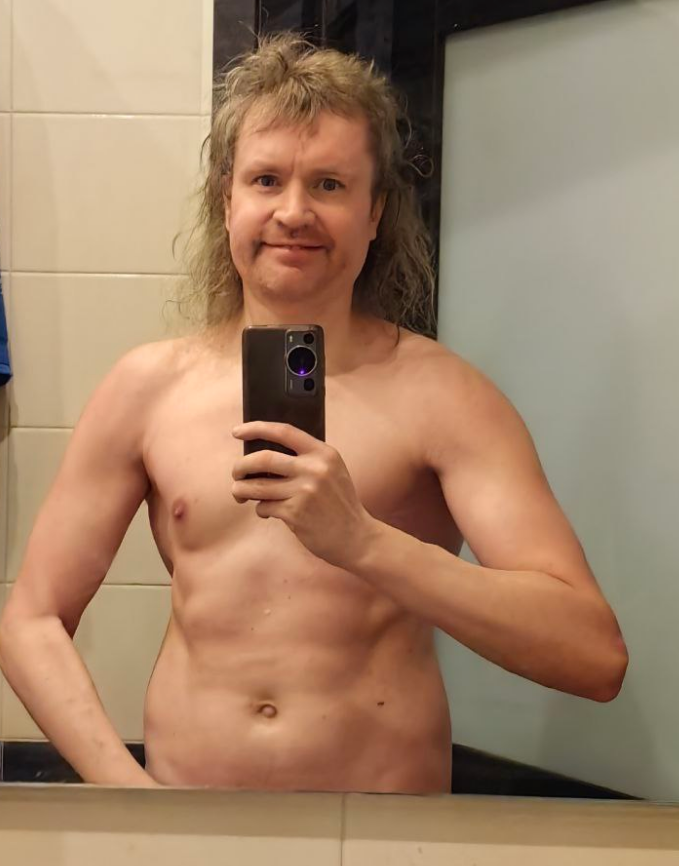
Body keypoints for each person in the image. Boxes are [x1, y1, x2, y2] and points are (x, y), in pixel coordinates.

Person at [0, 32, 628, 793]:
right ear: (226, 199)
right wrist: (127, 794)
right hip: (188, 822)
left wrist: (363, 541)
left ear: (375, 212)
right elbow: (31, 619)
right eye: (266, 180)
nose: (293, 212)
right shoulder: (146, 388)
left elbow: (592, 655)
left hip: (386, 829)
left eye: (329, 185)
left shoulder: (445, 396)